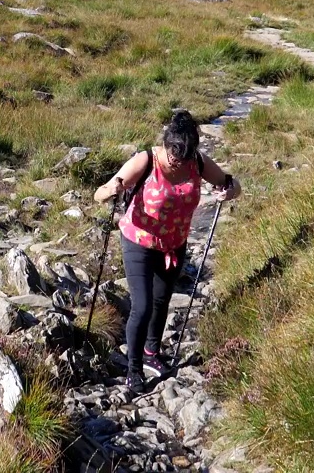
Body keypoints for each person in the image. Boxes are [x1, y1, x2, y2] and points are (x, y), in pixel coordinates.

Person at [94, 110, 241, 393]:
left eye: (184, 158)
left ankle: (152, 352)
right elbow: (100, 193)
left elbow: (232, 184)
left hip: (174, 244)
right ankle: (133, 368)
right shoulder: (146, 160)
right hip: (139, 239)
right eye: (174, 157)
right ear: (166, 145)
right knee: (143, 305)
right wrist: (112, 189)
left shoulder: (197, 162)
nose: (179, 162)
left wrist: (229, 191)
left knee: (162, 301)